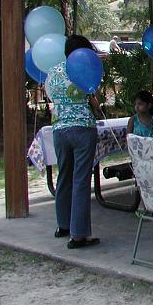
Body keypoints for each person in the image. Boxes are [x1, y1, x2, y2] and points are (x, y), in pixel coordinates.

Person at [45, 35, 101, 249]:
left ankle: (63, 225)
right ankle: (78, 235)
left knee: (64, 176)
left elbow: (51, 96)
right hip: (83, 128)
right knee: (80, 181)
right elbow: (93, 95)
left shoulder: (54, 71)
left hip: (59, 128)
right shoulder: (84, 66)